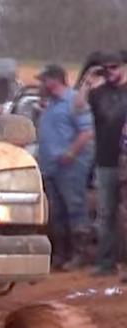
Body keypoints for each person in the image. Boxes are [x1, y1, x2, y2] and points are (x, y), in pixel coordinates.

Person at [37, 63, 95, 271]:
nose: (41, 84)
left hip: (70, 166)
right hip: (51, 166)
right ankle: (62, 254)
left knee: (75, 208)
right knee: (57, 212)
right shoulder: (51, 104)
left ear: (55, 80)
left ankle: (81, 254)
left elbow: (87, 132)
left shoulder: (74, 102)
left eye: (44, 80)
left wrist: (71, 153)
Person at [76, 51, 127, 277]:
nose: (111, 72)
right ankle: (106, 263)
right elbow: (77, 107)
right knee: (106, 214)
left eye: (115, 67)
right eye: (107, 68)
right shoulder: (97, 93)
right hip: (105, 161)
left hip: (124, 159)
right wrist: (87, 82)